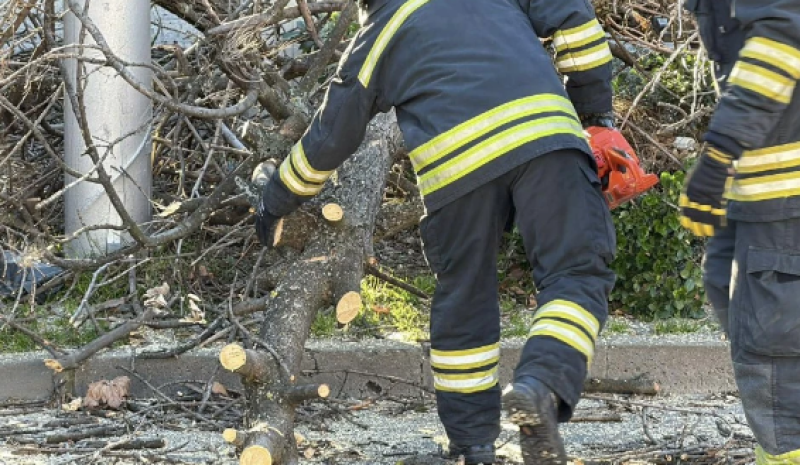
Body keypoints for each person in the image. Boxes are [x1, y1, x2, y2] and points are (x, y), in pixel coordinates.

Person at [254, 0, 622, 462]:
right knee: (576, 272)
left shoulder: (382, 31)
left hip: (456, 174)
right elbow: (572, 17)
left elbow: (329, 138)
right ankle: (541, 386)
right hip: (545, 141)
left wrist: (275, 200)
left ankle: (473, 446)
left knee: (465, 297)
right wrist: (595, 115)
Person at [681, 1, 800, 464]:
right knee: (727, 291)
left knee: (775, 352)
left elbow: (782, 37)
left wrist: (719, 154)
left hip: (785, 202)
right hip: (765, 196)